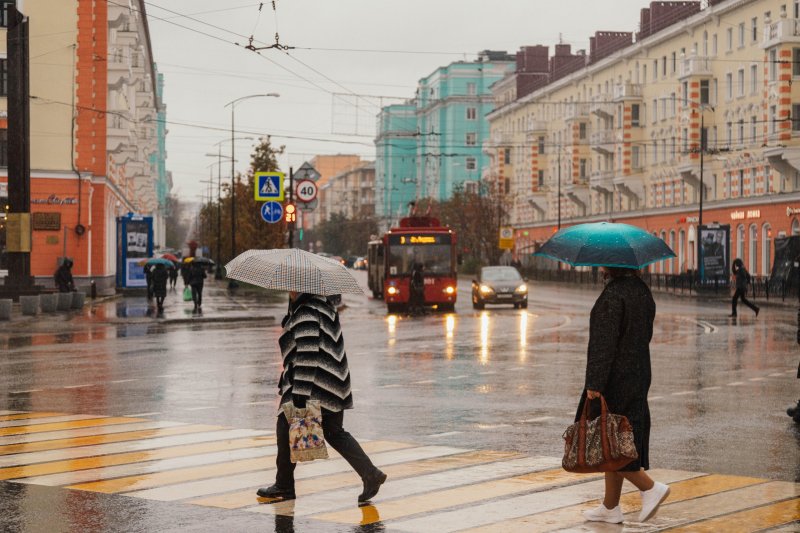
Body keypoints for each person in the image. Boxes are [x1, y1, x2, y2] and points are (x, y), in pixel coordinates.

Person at [257, 292, 387, 504]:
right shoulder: (323, 306)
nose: (288, 290)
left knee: (285, 426)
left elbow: (308, 354)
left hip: (317, 383)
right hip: (335, 383)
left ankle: (284, 485)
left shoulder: (306, 312)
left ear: (300, 287)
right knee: (335, 432)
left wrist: (300, 394)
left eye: (292, 286)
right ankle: (370, 474)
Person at [579, 267, 670, 524]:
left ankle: (650, 488)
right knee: (617, 438)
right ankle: (610, 507)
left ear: (611, 267)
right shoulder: (642, 291)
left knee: (612, 443)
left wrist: (594, 382)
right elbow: (645, 335)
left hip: (615, 378)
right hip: (639, 372)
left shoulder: (613, 296)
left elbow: (603, 344)